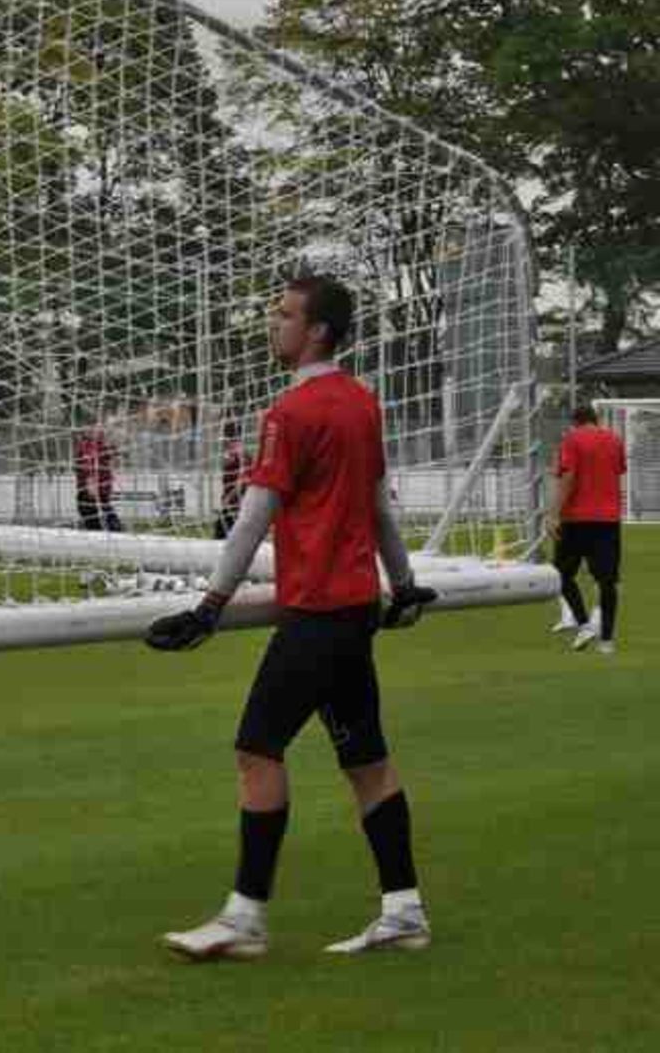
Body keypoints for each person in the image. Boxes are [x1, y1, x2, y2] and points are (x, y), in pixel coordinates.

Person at [146, 274, 439, 961]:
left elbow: (254, 516)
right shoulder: (362, 404)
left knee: (256, 751)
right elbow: (377, 506)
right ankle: (403, 912)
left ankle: (244, 918)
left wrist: (208, 605)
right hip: (354, 610)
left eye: (283, 314)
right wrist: (402, 583)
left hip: (315, 614)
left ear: (317, 332)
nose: (271, 324)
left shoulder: (290, 413)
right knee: (366, 761)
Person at [551, 402, 626, 655]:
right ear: (596, 419)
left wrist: (554, 514)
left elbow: (568, 476)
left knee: (561, 575)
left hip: (576, 519)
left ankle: (584, 623)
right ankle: (606, 641)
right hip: (608, 520)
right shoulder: (615, 440)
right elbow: (618, 471)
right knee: (608, 581)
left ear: (575, 422)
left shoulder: (571, 440)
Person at [75, 421, 122, 532]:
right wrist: (89, 481)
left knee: (101, 514)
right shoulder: (85, 446)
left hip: (97, 489)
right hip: (91, 490)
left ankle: (112, 531)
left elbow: (114, 457)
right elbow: (86, 465)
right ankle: (108, 531)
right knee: (92, 513)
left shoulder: (100, 445)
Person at [213, 421, 247, 540]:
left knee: (222, 533)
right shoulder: (230, 455)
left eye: (226, 441)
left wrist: (229, 498)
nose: (224, 444)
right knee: (222, 532)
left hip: (237, 504)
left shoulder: (242, 456)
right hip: (231, 503)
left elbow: (242, 480)